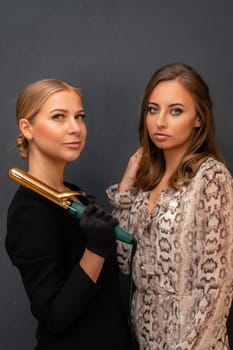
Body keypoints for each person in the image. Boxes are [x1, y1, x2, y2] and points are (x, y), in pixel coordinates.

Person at [106, 63, 233, 349]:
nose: (160, 122)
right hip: (145, 338)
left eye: (175, 111)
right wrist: (126, 187)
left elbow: (216, 287)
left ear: (198, 118)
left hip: (192, 342)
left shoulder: (210, 178)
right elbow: (122, 261)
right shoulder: (146, 180)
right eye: (153, 109)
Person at [5, 79, 133, 350]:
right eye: (59, 117)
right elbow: (55, 316)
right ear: (27, 128)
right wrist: (96, 248)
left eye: (79, 117)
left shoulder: (72, 194)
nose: (75, 128)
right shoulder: (29, 212)